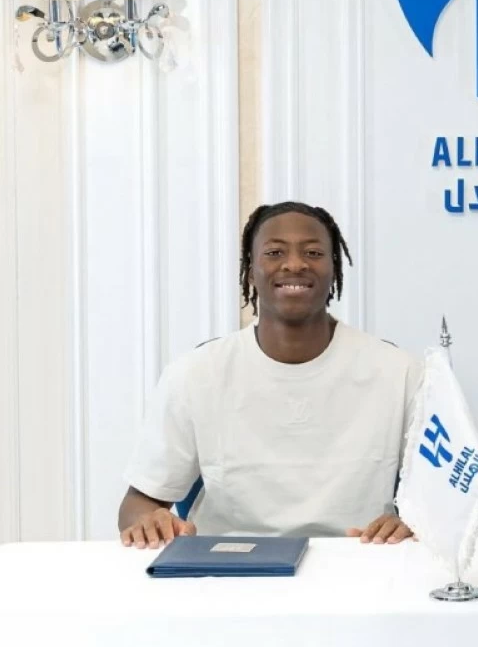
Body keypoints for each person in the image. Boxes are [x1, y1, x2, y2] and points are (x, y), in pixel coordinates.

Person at [118, 201, 422, 548]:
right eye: (275, 252)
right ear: (251, 271)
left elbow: (443, 502)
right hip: (227, 566)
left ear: (334, 268)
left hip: (360, 561)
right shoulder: (194, 375)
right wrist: (148, 522)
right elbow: (140, 502)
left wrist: (413, 522)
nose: (295, 264)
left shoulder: (400, 372)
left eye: (313, 252)